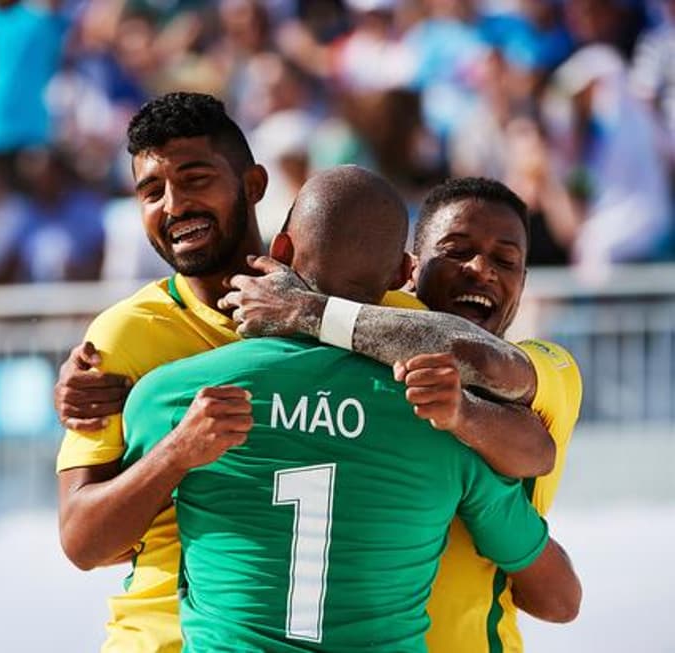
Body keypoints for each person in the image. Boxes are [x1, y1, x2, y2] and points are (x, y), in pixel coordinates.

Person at [120, 166, 580, 651]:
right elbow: (560, 598)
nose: (481, 269)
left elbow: (494, 379)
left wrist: (306, 310)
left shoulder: (542, 368)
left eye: (505, 261)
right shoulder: (433, 421)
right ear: (408, 271)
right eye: (457, 251)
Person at [55, 91, 419, 652]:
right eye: (151, 191)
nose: (173, 206)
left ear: (252, 185)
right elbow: (83, 541)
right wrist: (176, 453)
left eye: (195, 178)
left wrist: (312, 315)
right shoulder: (122, 337)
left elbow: (475, 357)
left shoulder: (359, 309)